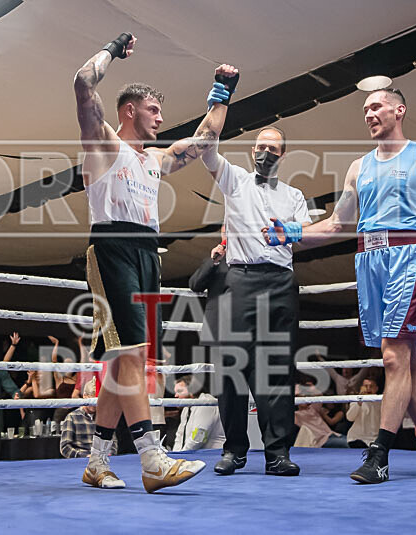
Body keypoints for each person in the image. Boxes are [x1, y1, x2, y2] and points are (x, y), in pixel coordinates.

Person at [263, 88, 416, 483]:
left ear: (400, 109)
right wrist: (292, 233)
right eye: (365, 109)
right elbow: (336, 224)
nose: (368, 114)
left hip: (408, 255)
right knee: (405, 363)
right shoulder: (358, 167)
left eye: (375, 106)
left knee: (394, 358)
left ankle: (379, 454)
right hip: (368, 259)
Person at [74, 31, 236, 492]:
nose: (161, 120)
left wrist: (223, 92)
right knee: (129, 356)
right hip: (111, 249)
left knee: (124, 360)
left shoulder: (155, 161)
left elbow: (206, 139)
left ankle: (97, 461)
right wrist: (111, 49)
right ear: (130, 111)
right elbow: (83, 83)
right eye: (154, 110)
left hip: (147, 253)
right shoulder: (104, 144)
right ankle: (151, 457)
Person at [200, 125, 311, 477]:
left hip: (279, 282)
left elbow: (307, 234)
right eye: (261, 147)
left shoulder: (294, 196)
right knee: (232, 370)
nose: (266, 153)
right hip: (241, 279)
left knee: (276, 371)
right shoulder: (235, 181)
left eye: (273, 149)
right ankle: (234, 450)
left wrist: (291, 232)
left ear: (282, 154)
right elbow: (207, 151)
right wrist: (220, 100)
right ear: (252, 151)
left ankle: (277, 453)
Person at [60, 379, 117, 459]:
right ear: (84, 396)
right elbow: (65, 448)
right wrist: (84, 456)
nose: (95, 404)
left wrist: (108, 454)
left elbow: (113, 443)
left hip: (103, 459)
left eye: (98, 400)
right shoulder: (72, 417)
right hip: (81, 461)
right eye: (92, 399)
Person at [188, 239, 229, 347]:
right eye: (225, 233)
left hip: (245, 323)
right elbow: (195, 285)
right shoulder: (215, 262)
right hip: (219, 326)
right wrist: (213, 261)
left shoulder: (251, 260)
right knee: (218, 362)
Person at [172, 375, 225, 451]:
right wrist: (176, 455)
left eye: (179, 391)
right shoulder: (186, 409)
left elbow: (199, 437)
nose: (176, 396)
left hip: (213, 455)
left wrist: (183, 454)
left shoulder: (206, 403)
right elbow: (179, 435)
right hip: (194, 453)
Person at [346, 379, 382, 448]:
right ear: (361, 388)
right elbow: (349, 418)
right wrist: (359, 402)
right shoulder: (356, 401)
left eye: (371, 386)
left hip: (374, 439)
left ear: (376, 388)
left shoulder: (381, 402)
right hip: (356, 438)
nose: (368, 388)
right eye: (366, 386)